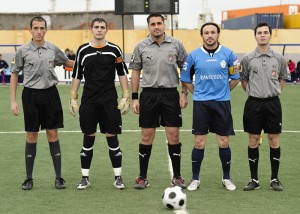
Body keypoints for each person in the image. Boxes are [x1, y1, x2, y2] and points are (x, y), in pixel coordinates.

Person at [10, 16, 74, 190]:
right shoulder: (22, 51)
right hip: (30, 95)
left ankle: (59, 178)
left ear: (46, 30)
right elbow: (15, 73)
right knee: (31, 135)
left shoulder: (53, 49)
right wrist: (13, 101)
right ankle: (28, 178)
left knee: (53, 134)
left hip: (50, 95)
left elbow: (67, 62)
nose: (39, 31)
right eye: (36, 28)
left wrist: (86, 63)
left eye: (42, 28)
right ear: (30, 29)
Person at [69, 17, 130, 190]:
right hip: (89, 101)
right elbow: (77, 75)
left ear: (106, 29)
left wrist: (126, 95)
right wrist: (73, 97)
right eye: (96, 27)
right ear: (91, 29)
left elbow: (122, 73)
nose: (99, 30)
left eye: (102, 27)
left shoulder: (114, 50)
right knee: (88, 137)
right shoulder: (83, 50)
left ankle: (118, 177)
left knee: (112, 137)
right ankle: (85, 178)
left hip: (109, 101)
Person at [129, 13, 188, 189]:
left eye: (159, 23)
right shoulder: (141, 46)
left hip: (171, 94)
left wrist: (184, 92)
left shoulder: (176, 44)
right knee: (146, 136)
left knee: (174, 136)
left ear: (164, 25)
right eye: (153, 24)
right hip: (148, 95)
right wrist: (134, 98)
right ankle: (142, 177)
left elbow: (184, 70)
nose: (156, 26)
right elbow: (136, 73)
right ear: (148, 26)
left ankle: (177, 176)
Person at [180, 22, 240, 191]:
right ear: (202, 35)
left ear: (218, 34)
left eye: (213, 32)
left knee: (223, 141)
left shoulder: (228, 54)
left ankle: (227, 178)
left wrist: (224, 91)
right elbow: (185, 78)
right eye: (206, 33)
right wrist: (196, 93)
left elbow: (235, 77)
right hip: (201, 105)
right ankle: (195, 179)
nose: (209, 35)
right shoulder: (193, 56)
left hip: (222, 104)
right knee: (199, 142)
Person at [240, 22, 288, 191]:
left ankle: (274, 179)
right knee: (253, 140)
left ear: (269, 35)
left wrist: (272, 92)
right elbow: (244, 80)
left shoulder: (279, 58)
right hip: (253, 103)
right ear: (255, 35)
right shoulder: (247, 58)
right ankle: (254, 180)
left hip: (273, 103)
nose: (262, 35)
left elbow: (283, 79)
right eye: (259, 32)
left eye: (265, 32)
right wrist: (256, 93)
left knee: (273, 140)